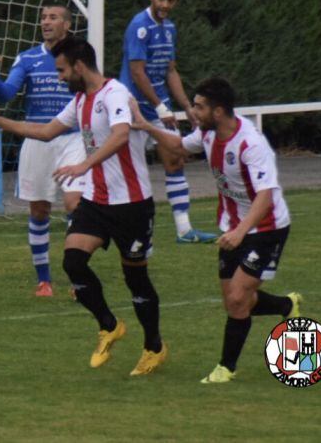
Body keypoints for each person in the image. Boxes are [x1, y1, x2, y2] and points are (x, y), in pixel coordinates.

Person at [0, 36, 167, 376]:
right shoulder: (80, 101)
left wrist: (84, 164)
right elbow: (46, 131)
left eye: (62, 70)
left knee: (136, 279)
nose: (59, 77)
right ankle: (109, 325)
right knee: (73, 262)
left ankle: (154, 347)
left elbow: (121, 135)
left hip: (132, 204)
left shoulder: (115, 94)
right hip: (98, 201)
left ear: (79, 66)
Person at [129, 76, 302, 384]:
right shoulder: (208, 134)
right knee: (235, 301)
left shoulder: (250, 143)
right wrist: (146, 126)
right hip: (232, 226)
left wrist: (240, 232)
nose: (193, 112)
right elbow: (179, 146)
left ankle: (226, 368)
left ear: (218, 111)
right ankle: (287, 305)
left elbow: (265, 196)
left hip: (266, 228)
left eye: (199, 107)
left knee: (237, 299)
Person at [0, 4, 85, 297]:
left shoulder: (80, 54)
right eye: (43, 18)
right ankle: (44, 281)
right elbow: (6, 94)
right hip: (37, 138)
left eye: (53, 17)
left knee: (75, 204)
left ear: (67, 24)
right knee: (39, 209)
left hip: (72, 138)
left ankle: (78, 278)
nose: (46, 22)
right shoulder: (27, 58)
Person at [118, 0, 217, 244]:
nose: (165, 4)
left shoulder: (170, 28)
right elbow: (137, 72)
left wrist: (187, 107)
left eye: (170, 0)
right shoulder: (139, 25)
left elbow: (170, 70)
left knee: (175, 158)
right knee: (131, 171)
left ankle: (184, 230)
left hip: (159, 106)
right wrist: (160, 107)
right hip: (133, 108)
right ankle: (128, 230)